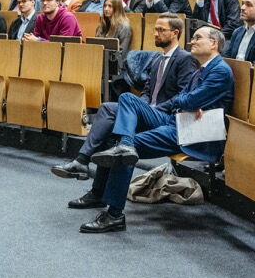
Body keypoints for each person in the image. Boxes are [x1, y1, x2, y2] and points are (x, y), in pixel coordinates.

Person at [79, 26, 234, 234]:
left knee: (126, 149)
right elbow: (183, 100)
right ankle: (100, 190)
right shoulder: (201, 68)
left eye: (197, 38)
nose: (191, 42)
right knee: (127, 99)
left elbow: (189, 99)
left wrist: (186, 102)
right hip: (177, 119)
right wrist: (185, 103)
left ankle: (114, 215)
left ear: (213, 43)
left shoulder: (220, 71)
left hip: (193, 133)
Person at [52, 15, 196, 184]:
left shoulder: (185, 59)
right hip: (149, 111)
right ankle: (82, 161)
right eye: (155, 29)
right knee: (107, 109)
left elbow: (183, 95)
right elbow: (148, 90)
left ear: (175, 33)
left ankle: (120, 148)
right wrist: (142, 107)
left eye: (161, 30)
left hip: (166, 117)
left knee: (125, 101)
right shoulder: (157, 59)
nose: (155, 34)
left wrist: (154, 109)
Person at [96, 0, 132, 64]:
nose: (106, 9)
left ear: (117, 9)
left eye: (110, 6)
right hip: (100, 61)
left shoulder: (124, 27)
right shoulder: (102, 25)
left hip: (116, 66)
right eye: (105, 6)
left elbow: (121, 53)